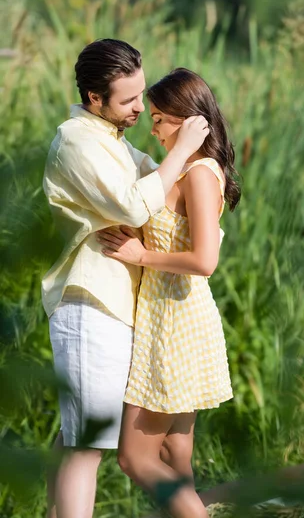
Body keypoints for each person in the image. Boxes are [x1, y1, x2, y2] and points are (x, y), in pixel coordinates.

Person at [42, 40, 209, 518]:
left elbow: (165, 187)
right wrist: (186, 152)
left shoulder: (114, 141)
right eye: (129, 100)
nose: (141, 108)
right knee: (86, 446)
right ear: (94, 98)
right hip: (89, 305)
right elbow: (135, 204)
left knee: (75, 438)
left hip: (118, 308)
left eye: (142, 96)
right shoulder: (77, 141)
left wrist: (202, 164)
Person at [97, 67, 241, 518]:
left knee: (134, 457)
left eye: (160, 119)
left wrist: (141, 256)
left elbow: (205, 260)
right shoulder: (177, 169)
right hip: (169, 315)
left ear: (189, 120)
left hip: (176, 323)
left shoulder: (199, 172)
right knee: (175, 458)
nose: (153, 127)